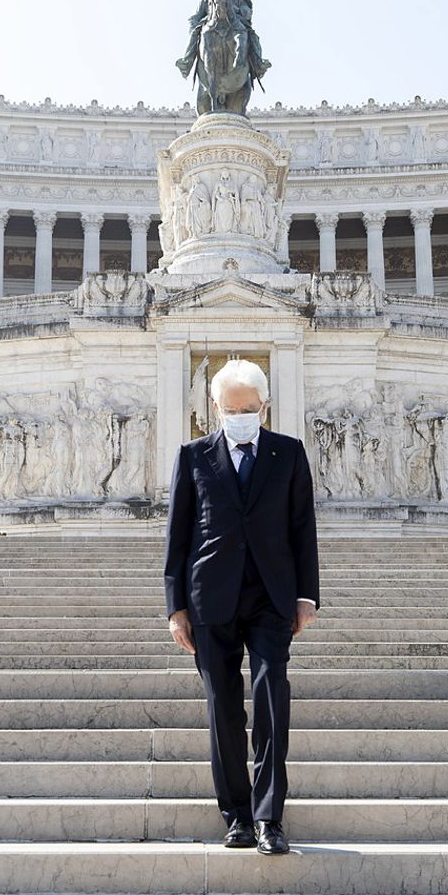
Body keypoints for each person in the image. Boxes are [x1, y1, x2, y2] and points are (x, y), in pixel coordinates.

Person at [163, 358, 320, 856]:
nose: (240, 417)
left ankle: (269, 817)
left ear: (264, 406)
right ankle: (237, 815)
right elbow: (178, 533)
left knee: (272, 697)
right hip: (211, 597)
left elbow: (302, 527)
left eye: (248, 409)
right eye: (231, 411)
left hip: (272, 596)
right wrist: (175, 608)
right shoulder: (193, 455)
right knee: (223, 708)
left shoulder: (288, 453)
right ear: (216, 408)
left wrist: (307, 595)